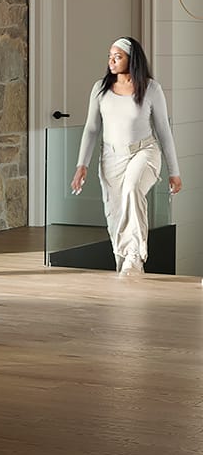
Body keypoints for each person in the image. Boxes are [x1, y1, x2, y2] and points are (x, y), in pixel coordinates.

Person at [70, 37, 182, 278]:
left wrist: (174, 171)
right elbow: (91, 129)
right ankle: (124, 265)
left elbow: (163, 130)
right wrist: (82, 165)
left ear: (132, 59)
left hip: (144, 152)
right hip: (110, 158)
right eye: (110, 56)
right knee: (115, 214)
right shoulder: (100, 88)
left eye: (118, 56)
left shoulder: (151, 89)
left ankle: (135, 256)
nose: (111, 60)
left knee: (132, 189)